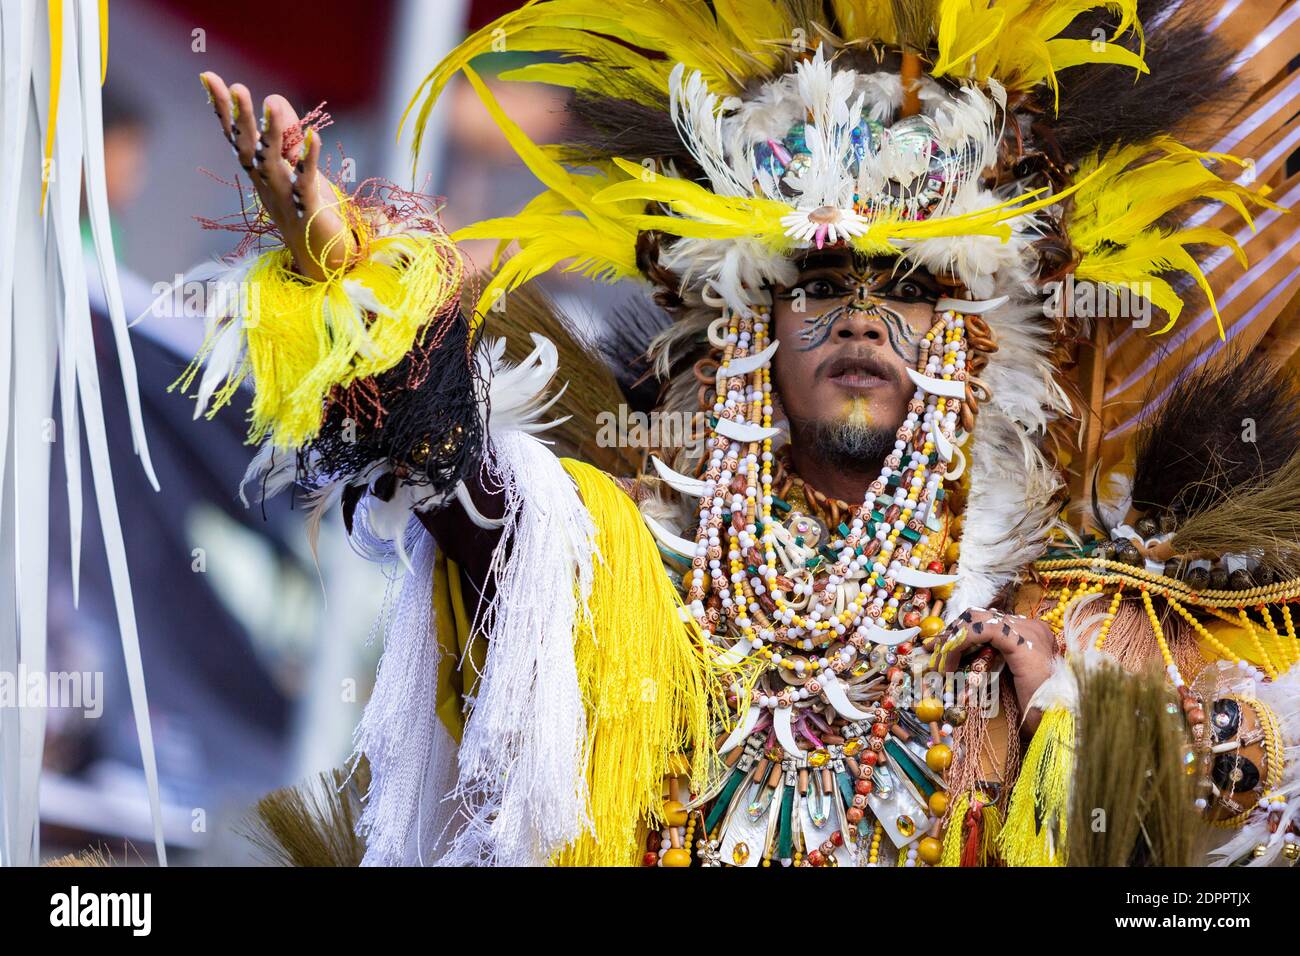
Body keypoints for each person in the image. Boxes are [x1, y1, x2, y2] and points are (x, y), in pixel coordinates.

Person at [186, 0, 1299, 868]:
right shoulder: (637, 583)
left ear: (965, 339)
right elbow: (476, 503)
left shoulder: (1068, 627)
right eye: (818, 280)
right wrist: (360, 292)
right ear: (751, 328)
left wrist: (1083, 732)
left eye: (905, 284)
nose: (859, 312)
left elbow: (1242, 808)